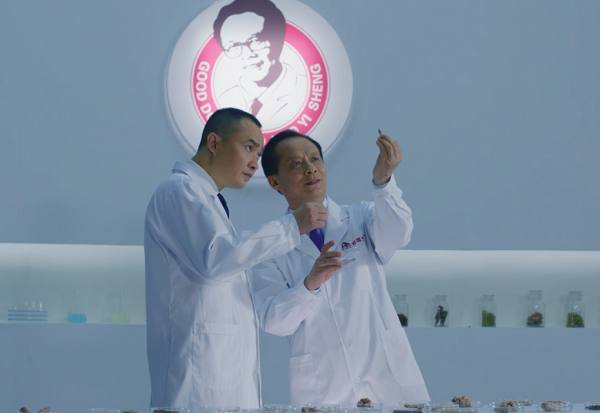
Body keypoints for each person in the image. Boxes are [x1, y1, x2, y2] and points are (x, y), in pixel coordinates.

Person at [144, 108, 326, 409]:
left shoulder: (208, 200)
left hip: (221, 379)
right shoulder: (179, 190)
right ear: (214, 142)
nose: (254, 162)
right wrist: (289, 227)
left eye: (259, 153)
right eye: (249, 147)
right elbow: (215, 259)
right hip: (196, 385)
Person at [252, 130, 430, 405]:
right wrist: (309, 285)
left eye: (315, 159)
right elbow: (274, 322)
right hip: (324, 386)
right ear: (275, 181)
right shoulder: (271, 246)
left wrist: (383, 182)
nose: (310, 168)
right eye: (296, 163)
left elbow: (399, 233)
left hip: (385, 376)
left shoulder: (360, 217)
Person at [213, 0, 306, 127]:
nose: (248, 53)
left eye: (256, 40)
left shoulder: (302, 92)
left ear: (277, 42)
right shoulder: (223, 100)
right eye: (234, 46)